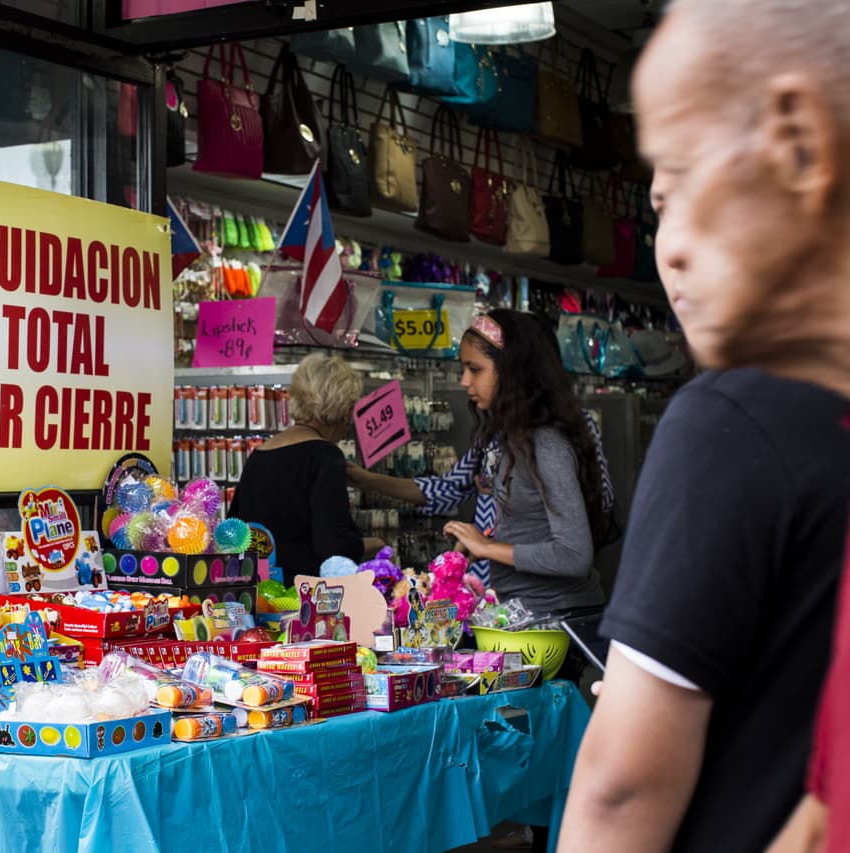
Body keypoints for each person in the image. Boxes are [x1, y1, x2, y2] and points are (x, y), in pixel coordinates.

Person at [559, 1, 850, 848]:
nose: (669, 249)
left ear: (797, 141)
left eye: (681, 183)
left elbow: (619, 789)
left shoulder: (727, 419)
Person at [348, 309, 606, 616]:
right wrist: (487, 544)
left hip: (558, 620)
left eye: (475, 369)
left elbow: (575, 555)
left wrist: (489, 548)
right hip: (527, 612)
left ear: (512, 372)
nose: (464, 381)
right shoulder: (510, 437)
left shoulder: (545, 443)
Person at [227, 352, 384, 576]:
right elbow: (332, 546)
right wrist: (377, 544)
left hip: (258, 595)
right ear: (343, 410)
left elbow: (235, 531)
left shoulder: (260, 454)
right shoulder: (325, 456)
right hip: (306, 598)